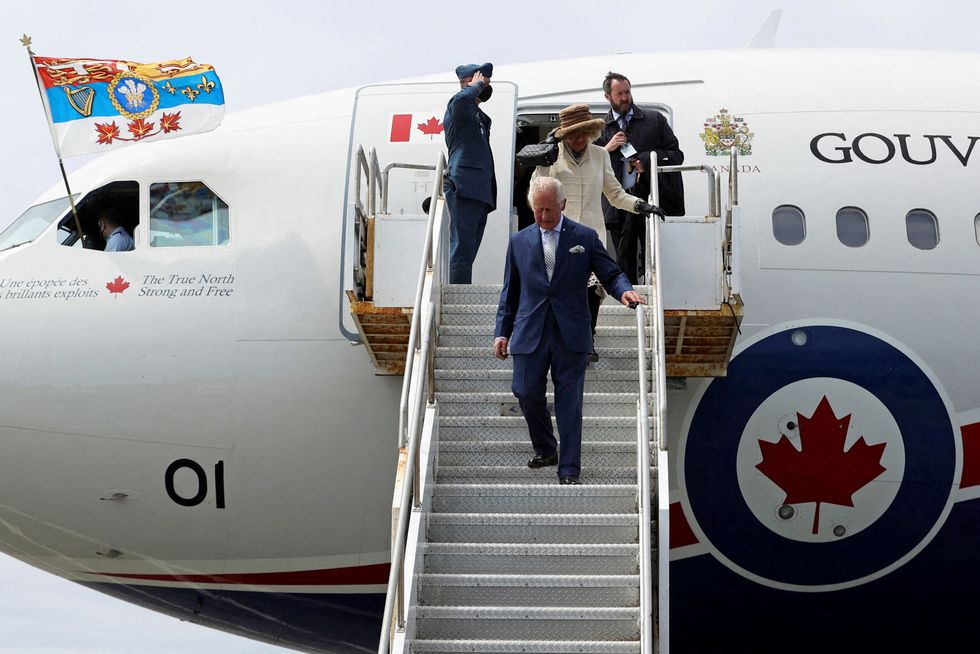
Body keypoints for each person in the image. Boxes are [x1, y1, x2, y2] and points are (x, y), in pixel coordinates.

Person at [492, 177, 644, 485]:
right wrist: (501, 331)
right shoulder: (519, 241)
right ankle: (547, 448)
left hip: (570, 331)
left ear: (562, 205)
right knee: (524, 391)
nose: (545, 216)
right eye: (539, 210)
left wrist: (624, 291)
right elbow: (511, 291)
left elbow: (611, 273)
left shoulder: (584, 237)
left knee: (569, 403)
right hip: (529, 330)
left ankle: (570, 469)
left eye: (550, 209)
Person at [532, 103, 662, 360]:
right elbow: (535, 190)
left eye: (584, 134)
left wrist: (641, 205)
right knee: (558, 292)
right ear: (564, 134)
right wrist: (542, 214)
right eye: (574, 134)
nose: (579, 139)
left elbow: (614, 194)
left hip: (589, 235)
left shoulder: (600, 155)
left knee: (592, 289)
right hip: (555, 234)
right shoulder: (551, 155)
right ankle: (555, 340)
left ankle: (587, 340)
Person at [596, 71, 685, 283]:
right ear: (608, 96)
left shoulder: (655, 120)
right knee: (623, 259)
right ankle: (629, 302)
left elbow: (677, 155)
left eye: (627, 92)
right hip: (617, 205)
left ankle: (652, 299)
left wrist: (645, 160)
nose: (625, 97)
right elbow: (588, 164)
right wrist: (606, 149)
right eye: (620, 94)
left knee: (652, 258)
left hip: (650, 202)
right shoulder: (599, 128)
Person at [443, 62, 496, 284]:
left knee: (469, 251)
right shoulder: (459, 106)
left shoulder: (479, 116)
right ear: (469, 82)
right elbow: (461, 100)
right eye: (484, 82)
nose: (486, 87)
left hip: (480, 191)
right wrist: (474, 87)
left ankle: (461, 287)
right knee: (462, 250)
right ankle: (457, 296)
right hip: (464, 187)